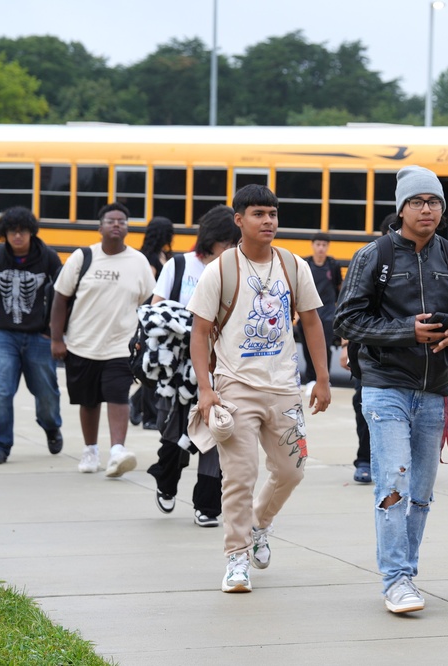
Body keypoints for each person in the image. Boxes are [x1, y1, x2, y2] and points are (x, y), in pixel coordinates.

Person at [335, 166, 448, 615]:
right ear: (401, 208)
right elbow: (346, 320)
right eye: (417, 202)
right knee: (393, 483)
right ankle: (395, 580)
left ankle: (407, 574)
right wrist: (405, 332)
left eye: (434, 202)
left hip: (437, 389)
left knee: (421, 491)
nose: (427, 210)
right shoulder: (375, 256)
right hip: (385, 388)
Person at [187, 184, 331, 593]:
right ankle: (236, 558)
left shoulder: (293, 265)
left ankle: (259, 524)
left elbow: (312, 321)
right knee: (239, 475)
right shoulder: (221, 270)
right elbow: (199, 332)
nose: (268, 221)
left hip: (285, 389)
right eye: (258, 214)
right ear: (239, 220)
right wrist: (205, 388)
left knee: (293, 470)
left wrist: (321, 378)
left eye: (272, 214)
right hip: (236, 389)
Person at [146, 205, 240, 527]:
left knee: (215, 436)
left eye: (234, 244)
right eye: (226, 243)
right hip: (177, 371)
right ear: (210, 240)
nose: (230, 250)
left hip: (220, 369)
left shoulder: (236, 272)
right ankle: (166, 481)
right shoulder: (180, 266)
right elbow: (155, 312)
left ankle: (207, 506)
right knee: (172, 434)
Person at [50, 202, 156, 476]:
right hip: (82, 343)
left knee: (118, 395)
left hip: (121, 346)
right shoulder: (82, 257)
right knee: (89, 401)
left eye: (122, 220)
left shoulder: (139, 262)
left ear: (127, 228)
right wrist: (57, 339)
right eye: (111, 220)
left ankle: (117, 451)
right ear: (100, 227)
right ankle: (90, 450)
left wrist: (144, 341)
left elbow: (149, 304)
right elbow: (60, 298)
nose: (116, 224)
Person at [0, 207, 63, 464]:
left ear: (31, 232)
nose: (18, 236)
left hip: (39, 337)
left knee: (46, 392)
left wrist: (57, 334)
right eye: (12, 231)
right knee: (1, 391)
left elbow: (63, 297)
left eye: (22, 231)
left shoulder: (49, 259)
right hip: (5, 336)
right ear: (5, 234)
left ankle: (51, 426)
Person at [341, 214, 398, 485]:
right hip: (367, 349)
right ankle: (365, 459)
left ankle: (395, 462)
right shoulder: (368, 258)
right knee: (365, 404)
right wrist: (344, 347)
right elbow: (348, 309)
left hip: (404, 351)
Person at [130, 216, 174, 430]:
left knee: (160, 364)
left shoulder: (164, 255)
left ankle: (136, 402)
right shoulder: (148, 257)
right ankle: (148, 414)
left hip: (166, 315)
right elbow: (151, 288)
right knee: (151, 363)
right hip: (151, 316)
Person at [299, 232, 341, 383]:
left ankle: (324, 378)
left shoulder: (333, 265)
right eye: (318, 245)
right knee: (307, 348)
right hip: (307, 312)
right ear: (313, 245)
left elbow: (338, 287)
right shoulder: (305, 264)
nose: (321, 248)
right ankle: (311, 379)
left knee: (325, 348)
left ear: (328, 247)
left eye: (324, 245)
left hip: (328, 313)